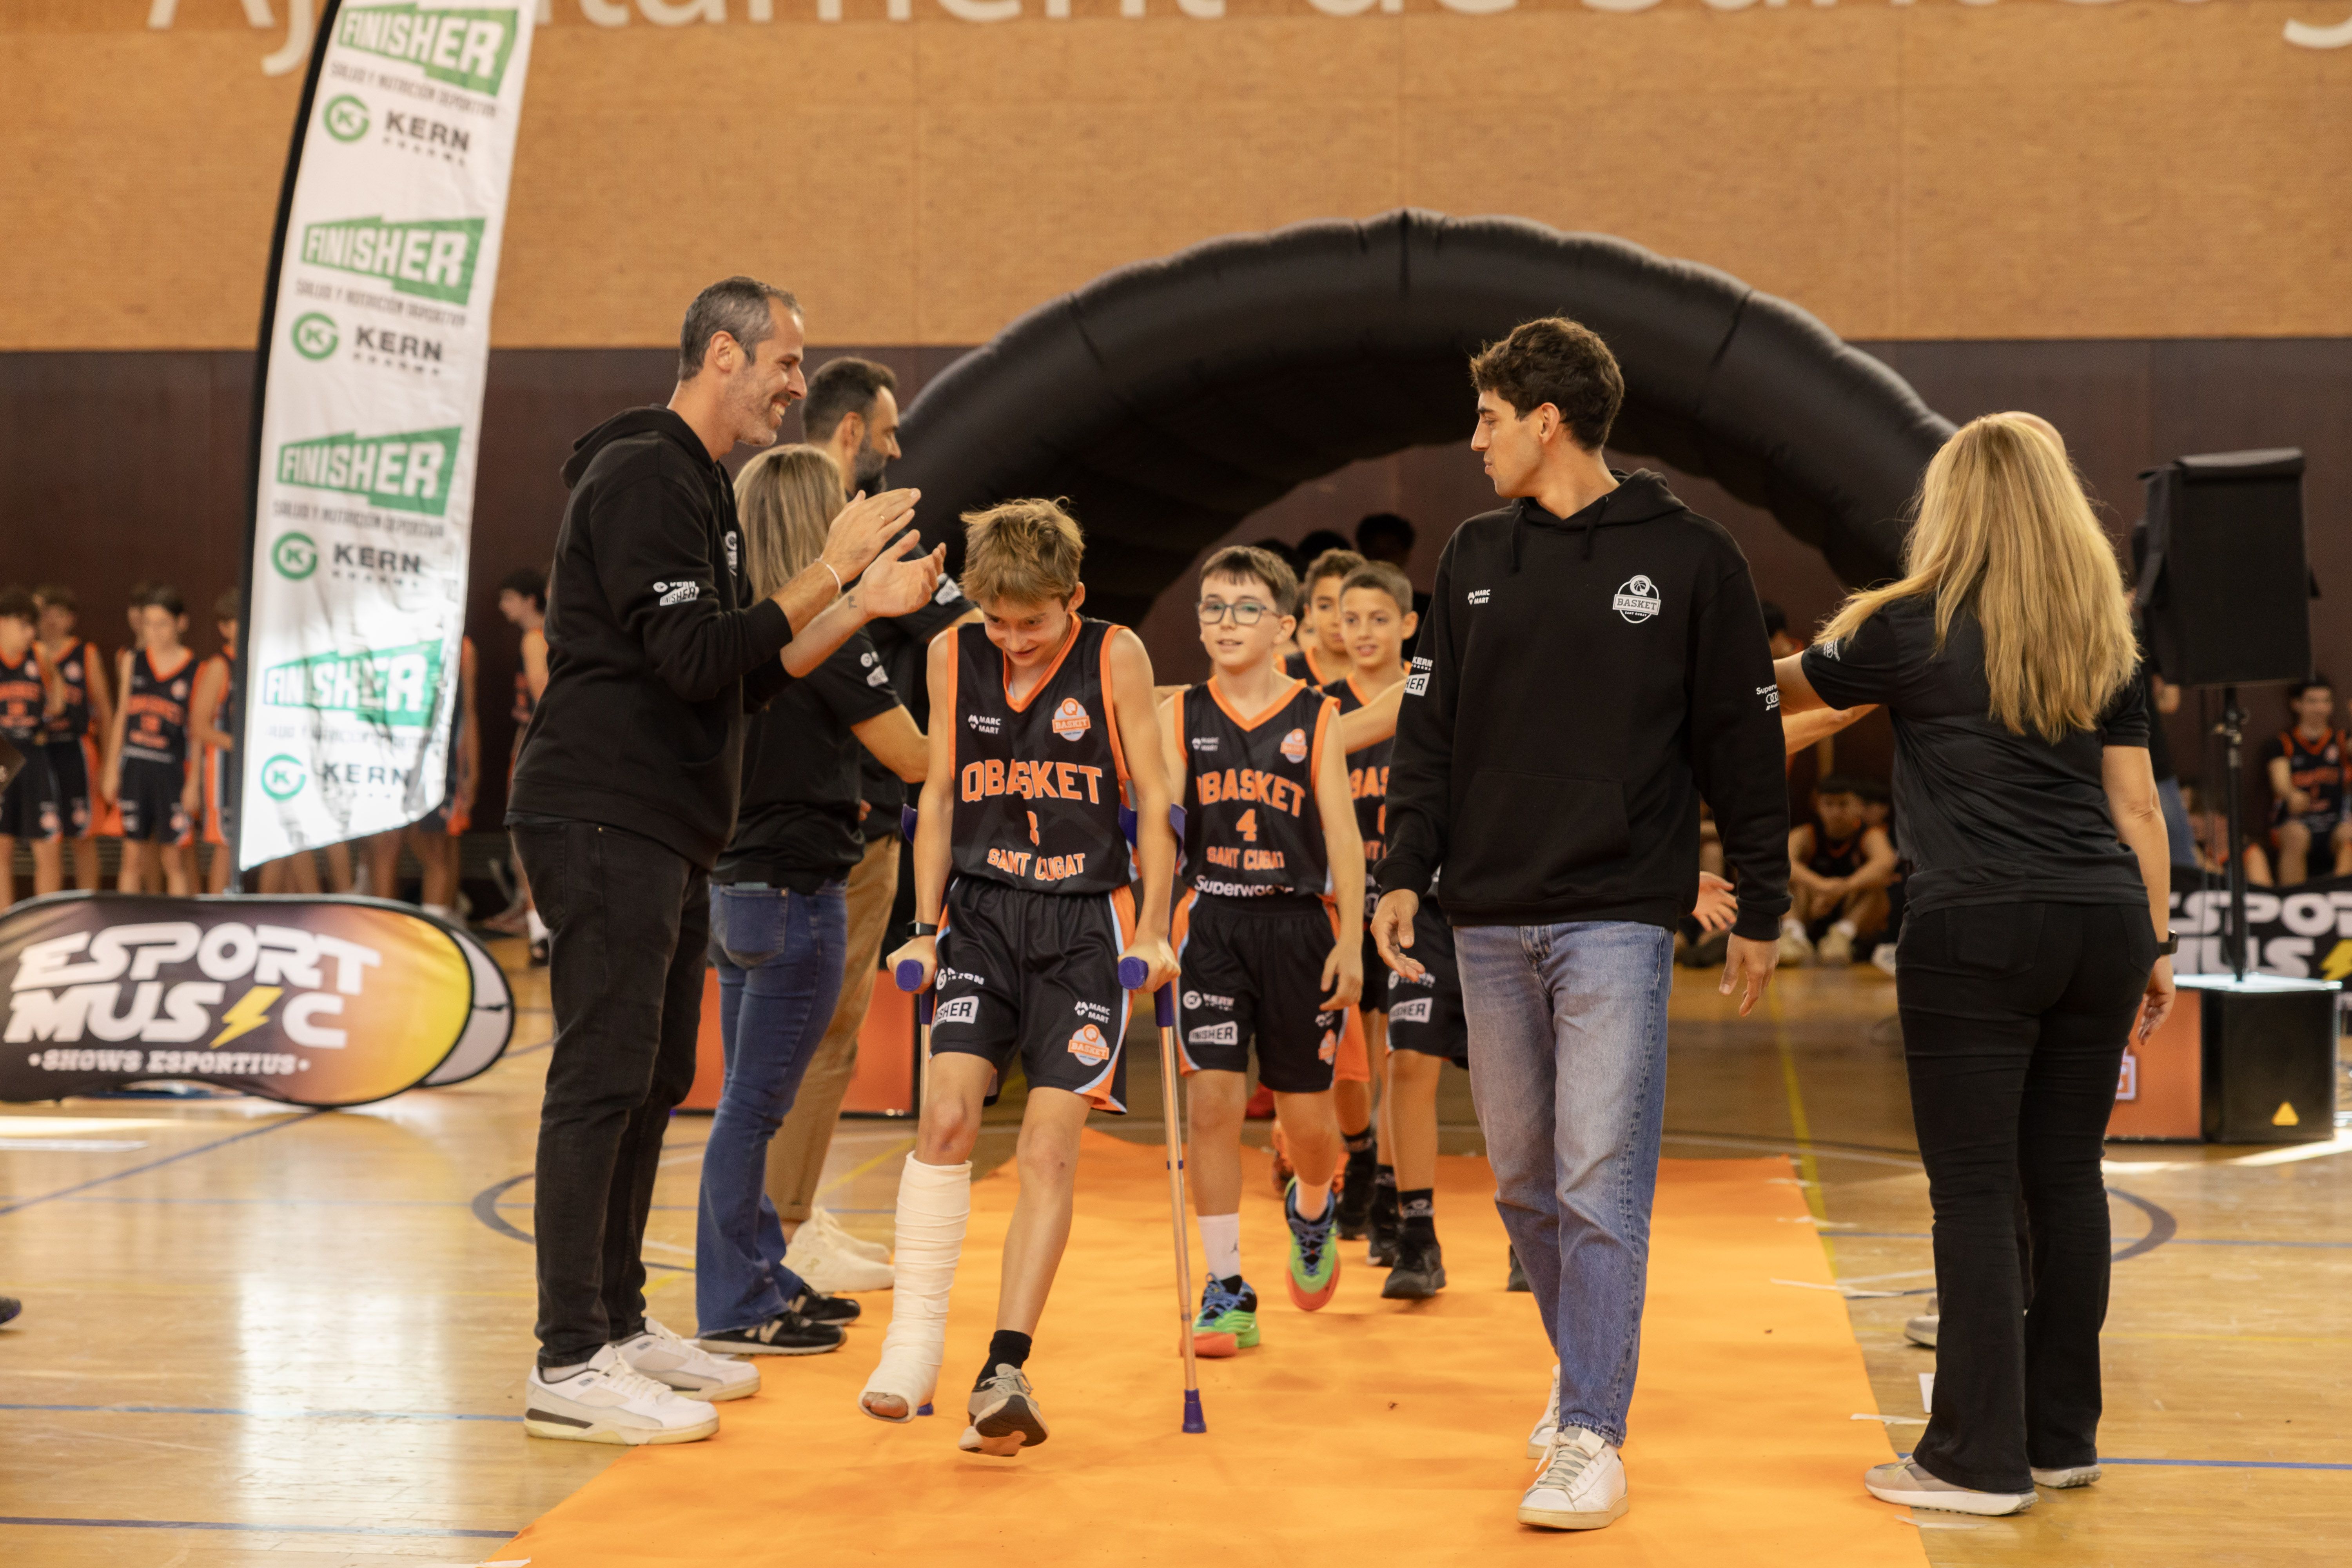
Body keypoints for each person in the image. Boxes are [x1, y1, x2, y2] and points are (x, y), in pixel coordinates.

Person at [508, 275, 946, 1447]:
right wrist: (832, 568)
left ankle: (617, 1321)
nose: (799, 385)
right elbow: (700, 656)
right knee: (602, 1077)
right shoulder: (645, 473)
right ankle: (568, 1355)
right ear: (721, 355)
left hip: (663, 824)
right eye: (786, 361)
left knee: (654, 1075)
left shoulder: (698, 483)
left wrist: (858, 603)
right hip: (602, 811)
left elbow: (749, 672)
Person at [1371, 316, 1788, 1532]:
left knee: (1598, 1180)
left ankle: (1593, 1429)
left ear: (1545, 422)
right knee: (1522, 1187)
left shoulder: (1694, 558)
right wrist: (1402, 870)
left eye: (1489, 418)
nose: (1475, 440)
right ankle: (1584, 1368)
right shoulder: (1472, 554)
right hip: (1486, 916)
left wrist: (1759, 899)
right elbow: (1428, 732)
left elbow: (1743, 746)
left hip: (1617, 917)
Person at [1774, 411, 2173, 1517]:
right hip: (2105, 921)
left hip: (1978, 928)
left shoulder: (1909, 625)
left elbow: (1778, 693)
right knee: (2067, 1179)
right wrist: (2158, 943)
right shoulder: (2103, 635)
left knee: (1977, 1191)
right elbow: (2137, 807)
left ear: (1951, 506)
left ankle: (1976, 1459)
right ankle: (2059, 1438)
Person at [858, 498, 1180, 1457]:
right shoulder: (952, 652)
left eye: (1031, 622)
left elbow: (1157, 796)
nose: (1013, 639)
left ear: (1073, 598)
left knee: (1045, 1151)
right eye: (997, 621)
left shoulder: (1115, 653)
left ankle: (1004, 1366)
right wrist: (923, 928)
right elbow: (938, 794)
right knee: (947, 1120)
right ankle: (913, 1344)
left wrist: (1155, 927)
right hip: (984, 917)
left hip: (1085, 926)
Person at [694, 445, 930, 1357]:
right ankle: (737, 1299)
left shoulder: (736, 628)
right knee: (755, 1105)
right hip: (794, 888)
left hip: (738, 886)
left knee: (748, 1100)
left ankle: (760, 1275)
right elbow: (914, 757)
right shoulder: (827, 632)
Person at [762, 356, 978, 1291]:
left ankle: (790, 1219)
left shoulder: (775, 554)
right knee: (808, 1040)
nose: (892, 456)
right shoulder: (834, 585)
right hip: (828, 833)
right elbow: (920, 735)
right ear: (850, 433)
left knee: (813, 1038)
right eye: (886, 435)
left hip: (812, 827)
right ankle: (779, 1231)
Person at [1158, 545, 1364, 1357]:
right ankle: (1226, 1288)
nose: (1227, 622)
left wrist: (1351, 940)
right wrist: (1150, 925)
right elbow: (1163, 827)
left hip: (1299, 927)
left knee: (1307, 1123)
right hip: (1212, 922)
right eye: (1213, 607)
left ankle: (1312, 1206)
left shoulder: (1317, 716)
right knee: (1211, 1104)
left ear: (1283, 625)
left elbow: (1343, 836)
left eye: (1246, 608)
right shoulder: (1181, 715)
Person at [1319, 562, 1416, 1266]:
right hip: (1340, 907)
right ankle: (1359, 1153)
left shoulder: (1428, 696)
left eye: (1378, 619)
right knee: (1347, 1062)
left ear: (1408, 625)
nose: (1362, 632)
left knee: (1399, 1053)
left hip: (1409, 899)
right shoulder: (1322, 708)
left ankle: (1387, 1190)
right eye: (1349, 619)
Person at [105, 587, 199, 897]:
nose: (154, 631)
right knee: (131, 858)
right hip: (135, 767)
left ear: (181, 623)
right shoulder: (133, 661)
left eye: (162, 624)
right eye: (148, 624)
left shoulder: (195, 668)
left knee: (174, 859)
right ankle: (125, 921)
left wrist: (194, 782)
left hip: (171, 771)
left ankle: (181, 923)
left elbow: (197, 733)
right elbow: (122, 716)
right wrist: (111, 768)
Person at [485, 567, 551, 952]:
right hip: (539, 744)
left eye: (509, 597)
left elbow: (543, 694)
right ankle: (538, 926)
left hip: (537, 747)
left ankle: (539, 931)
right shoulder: (554, 636)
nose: (502, 606)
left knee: (525, 838)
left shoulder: (534, 638)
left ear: (530, 599)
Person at [32, 584, 109, 891]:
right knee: (45, 840)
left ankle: (88, 904)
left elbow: (105, 710)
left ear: (71, 619)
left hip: (75, 751)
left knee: (82, 837)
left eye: (59, 614)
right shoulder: (27, 654)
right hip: (37, 752)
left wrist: (108, 762)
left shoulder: (85, 654)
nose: (51, 621)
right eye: (45, 614)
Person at [1779, 773, 1899, 966]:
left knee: (1877, 885)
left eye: (1843, 804)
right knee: (1783, 881)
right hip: (1811, 908)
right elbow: (1782, 863)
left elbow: (1885, 863)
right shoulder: (1806, 834)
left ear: (1858, 806)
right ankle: (1794, 935)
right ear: (1818, 805)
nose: (1836, 812)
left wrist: (1842, 888)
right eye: (1829, 804)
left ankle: (1842, 936)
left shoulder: (1870, 834)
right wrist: (1822, 886)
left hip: (1852, 913)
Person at [0, 588, 66, 906]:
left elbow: (58, 704)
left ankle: (48, 926)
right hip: (2, 755)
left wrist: (48, 712)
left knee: (49, 846)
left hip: (33, 754)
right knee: (2, 849)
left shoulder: (39, 656)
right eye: (23, 625)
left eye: (33, 627)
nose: (30, 634)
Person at [2259, 678, 2352, 886]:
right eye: (2313, 701)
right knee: (2296, 836)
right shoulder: (2282, 743)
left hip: (2335, 822)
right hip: (2297, 822)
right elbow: (2281, 782)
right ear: (2297, 704)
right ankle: (2294, 898)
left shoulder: (2341, 740)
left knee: (2349, 834)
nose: (2321, 708)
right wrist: (2291, 794)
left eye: (2326, 701)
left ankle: (2343, 898)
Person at [188, 590, 241, 894]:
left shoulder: (258, 662)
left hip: (252, 769)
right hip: (223, 772)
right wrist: (241, 746)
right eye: (236, 622)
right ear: (224, 628)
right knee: (225, 845)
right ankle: (216, 910)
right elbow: (199, 727)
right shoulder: (220, 666)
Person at [1282, 547, 1360, 688]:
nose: (1338, 620)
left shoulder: (1399, 675)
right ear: (1308, 614)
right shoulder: (1281, 672)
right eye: (1325, 607)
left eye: (1349, 604)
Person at [1354, 512, 1432, 623]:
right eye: (1375, 550)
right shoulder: (1349, 603)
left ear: (1406, 554)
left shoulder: (1428, 610)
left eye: (1391, 550)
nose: (1383, 558)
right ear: (1363, 552)